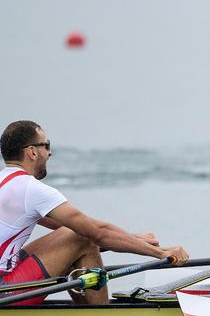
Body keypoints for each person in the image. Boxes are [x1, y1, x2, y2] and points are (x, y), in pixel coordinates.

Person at [0, 120, 190, 305]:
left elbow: (69, 230)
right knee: (81, 238)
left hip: (6, 281)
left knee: (78, 237)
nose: (50, 153)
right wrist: (160, 253)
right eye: (46, 145)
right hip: (5, 292)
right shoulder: (32, 190)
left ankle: (87, 314)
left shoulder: (6, 185)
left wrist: (134, 240)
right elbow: (94, 232)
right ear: (32, 152)